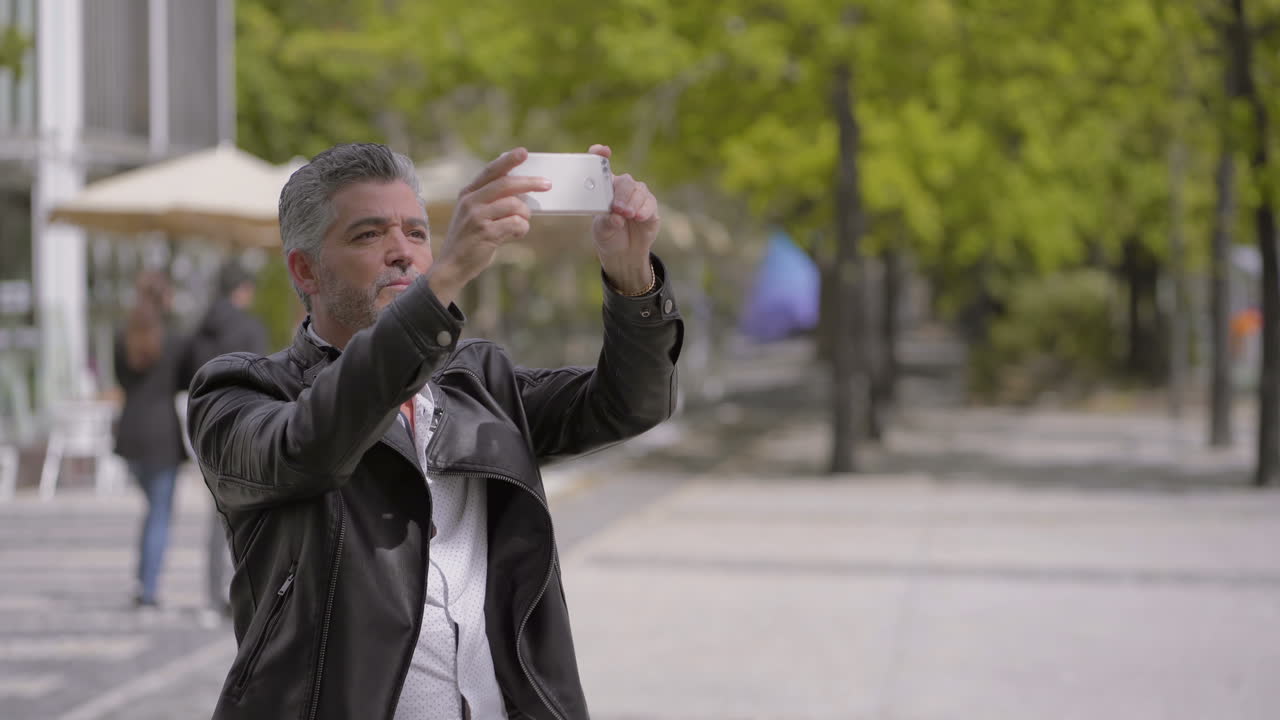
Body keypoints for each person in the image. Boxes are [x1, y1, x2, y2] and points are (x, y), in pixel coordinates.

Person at [186, 143, 682, 720]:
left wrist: (631, 274)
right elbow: (313, 446)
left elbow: (631, 403)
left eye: (418, 234)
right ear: (306, 270)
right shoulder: (238, 394)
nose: (402, 253)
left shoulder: (478, 383)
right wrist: (443, 278)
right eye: (369, 235)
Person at [179, 261, 269, 619]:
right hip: (244, 425)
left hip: (204, 429)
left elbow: (187, 379)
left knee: (217, 513)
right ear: (243, 290)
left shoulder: (198, 331)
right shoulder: (250, 328)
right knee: (248, 513)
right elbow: (264, 379)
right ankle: (244, 591)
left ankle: (212, 592)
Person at [114, 269, 192, 609]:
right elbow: (185, 380)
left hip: (130, 432)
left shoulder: (121, 336)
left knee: (152, 510)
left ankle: (144, 577)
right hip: (161, 434)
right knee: (160, 512)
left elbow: (120, 378)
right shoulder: (175, 339)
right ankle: (148, 587)